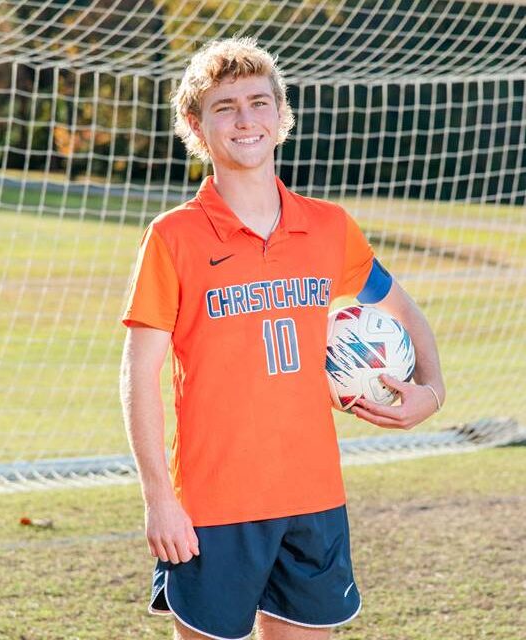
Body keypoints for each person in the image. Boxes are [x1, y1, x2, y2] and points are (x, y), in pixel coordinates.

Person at [119, 36, 445, 640]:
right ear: (195, 124)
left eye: (259, 102)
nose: (246, 120)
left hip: (313, 498)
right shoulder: (174, 237)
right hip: (213, 505)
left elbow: (403, 308)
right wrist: (159, 498)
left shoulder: (328, 227)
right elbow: (138, 375)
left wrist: (432, 387)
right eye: (225, 107)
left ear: (280, 115)